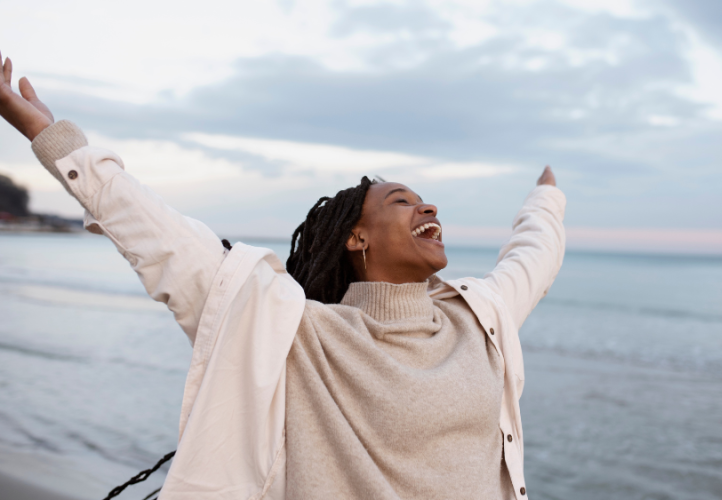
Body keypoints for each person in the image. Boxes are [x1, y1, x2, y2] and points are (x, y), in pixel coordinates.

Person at [0, 52, 566, 500]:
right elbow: (171, 243)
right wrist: (53, 140)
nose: (428, 207)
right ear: (357, 237)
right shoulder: (296, 336)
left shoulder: (478, 320)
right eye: (402, 201)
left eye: (425, 200)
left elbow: (533, 258)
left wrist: (546, 199)